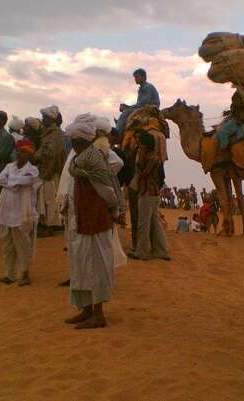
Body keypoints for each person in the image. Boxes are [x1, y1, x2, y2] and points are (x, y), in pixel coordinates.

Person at [64, 118, 124, 329]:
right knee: (81, 264)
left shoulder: (92, 158)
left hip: (96, 218)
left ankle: (98, 314)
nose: (71, 143)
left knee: (97, 265)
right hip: (82, 217)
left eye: (73, 139)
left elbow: (107, 189)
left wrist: (114, 209)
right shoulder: (81, 159)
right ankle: (86, 309)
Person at [0, 138, 41, 287]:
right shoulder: (9, 166)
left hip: (23, 213)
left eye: (24, 152)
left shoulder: (33, 170)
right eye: (19, 151)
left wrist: (10, 182)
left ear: (29, 155)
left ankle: (25, 274)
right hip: (6, 210)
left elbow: (28, 181)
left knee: (23, 244)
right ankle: (10, 274)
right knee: (7, 244)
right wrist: (16, 181)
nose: (21, 155)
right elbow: (0, 179)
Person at [128, 132, 170, 261]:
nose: (137, 144)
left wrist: (139, 156)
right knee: (155, 223)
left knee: (143, 223)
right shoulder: (155, 157)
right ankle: (161, 251)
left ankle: (142, 252)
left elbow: (143, 173)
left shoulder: (150, 158)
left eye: (139, 142)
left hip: (147, 192)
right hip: (153, 193)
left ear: (145, 144)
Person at [34, 106, 67, 237]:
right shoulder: (48, 132)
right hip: (46, 170)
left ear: (51, 119)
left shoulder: (56, 134)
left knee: (50, 200)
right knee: (45, 199)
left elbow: (52, 154)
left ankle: (50, 226)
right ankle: (46, 224)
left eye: (45, 118)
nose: (43, 120)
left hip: (50, 172)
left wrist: (37, 157)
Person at [116, 68, 161, 135]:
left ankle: (117, 134)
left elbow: (143, 103)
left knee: (124, 114)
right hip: (146, 107)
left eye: (137, 77)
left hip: (150, 108)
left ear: (143, 77)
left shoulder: (147, 87)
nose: (135, 79)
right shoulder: (143, 88)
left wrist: (128, 107)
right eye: (135, 77)